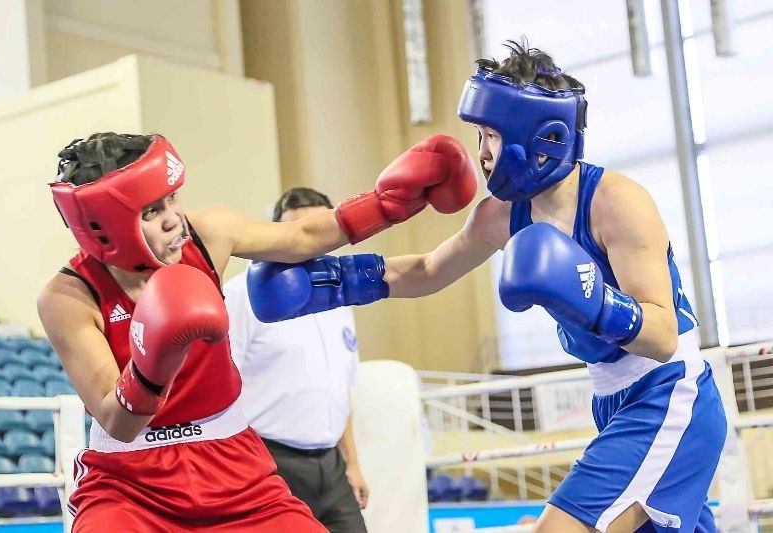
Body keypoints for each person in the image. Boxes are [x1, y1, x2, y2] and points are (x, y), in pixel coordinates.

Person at [246, 39, 728, 533]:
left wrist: (596, 300)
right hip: (612, 398)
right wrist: (333, 281)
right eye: (479, 135)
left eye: (492, 136)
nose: (482, 154)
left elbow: (662, 336)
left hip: (669, 392)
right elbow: (429, 270)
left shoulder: (617, 203)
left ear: (540, 137)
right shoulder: (501, 215)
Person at [35, 132, 477, 531]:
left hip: (233, 466)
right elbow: (118, 421)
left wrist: (389, 205)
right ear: (103, 227)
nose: (174, 219)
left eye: (172, 199)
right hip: (131, 483)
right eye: (152, 211)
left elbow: (303, 236)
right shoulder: (68, 296)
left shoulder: (207, 234)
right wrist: (158, 352)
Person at [224, 187, 370, 533]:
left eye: (320, 231)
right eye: (299, 232)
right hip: (269, 463)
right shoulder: (241, 295)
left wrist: (352, 463)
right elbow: (219, 392)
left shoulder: (339, 292)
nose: (309, 242)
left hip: (332, 467)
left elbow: (340, 389)